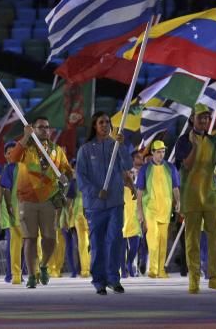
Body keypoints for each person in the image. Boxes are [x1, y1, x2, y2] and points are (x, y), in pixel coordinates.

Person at [7, 117, 73, 289]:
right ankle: (31, 274)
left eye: (47, 127)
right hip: (27, 199)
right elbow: (12, 159)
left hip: (49, 200)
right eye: (41, 127)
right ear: (33, 129)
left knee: (50, 239)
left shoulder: (56, 150)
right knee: (30, 238)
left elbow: (68, 171)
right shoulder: (25, 147)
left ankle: (43, 266)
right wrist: (24, 137)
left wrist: (67, 176)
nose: (45, 130)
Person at [174, 104, 216, 294]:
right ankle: (194, 280)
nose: (204, 121)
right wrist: (195, 147)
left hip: (211, 195)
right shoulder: (183, 141)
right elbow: (187, 165)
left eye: (206, 118)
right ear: (192, 119)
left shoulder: (214, 141)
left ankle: (214, 278)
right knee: (192, 240)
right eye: (200, 118)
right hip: (191, 196)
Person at [75, 112, 131, 295]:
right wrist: (95, 192)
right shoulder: (85, 150)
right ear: (94, 126)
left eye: (108, 122)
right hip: (95, 206)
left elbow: (128, 165)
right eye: (101, 122)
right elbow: (81, 178)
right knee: (98, 243)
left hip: (115, 202)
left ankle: (114, 279)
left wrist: (121, 146)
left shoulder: (116, 146)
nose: (105, 125)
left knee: (114, 240)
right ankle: (99, 280)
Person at [135, 139, 180, 279]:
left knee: (162, 240)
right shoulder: (145, 169)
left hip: (165, 210)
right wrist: (140, 212)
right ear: (152, 153)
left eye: (163, 152)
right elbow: (140, 192)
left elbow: (175, 187)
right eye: (159, 152)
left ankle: (161, 270)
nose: (161, 155)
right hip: (150, 210)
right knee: (152, 238)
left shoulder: (171, 168)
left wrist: (178, 201)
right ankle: (153, 269)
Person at [0, 141, 23, 285]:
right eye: (9, 152)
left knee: (25, 243)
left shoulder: (24, 168)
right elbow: (0, 192)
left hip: (25, 209)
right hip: (10, 210)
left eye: (15, 151)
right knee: (13, 241)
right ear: (5, 155)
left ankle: (22, 272)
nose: (12, 154)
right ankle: (11, 274)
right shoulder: (7, 170)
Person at [122, 150, 145, 278]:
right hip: (122, 218)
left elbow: (140, 198)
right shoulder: (119, 183)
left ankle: (129, 263)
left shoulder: (137, 181)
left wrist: (142, 214)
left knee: (135, 246)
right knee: (122, 246)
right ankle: (124, 270)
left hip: (135, 218)